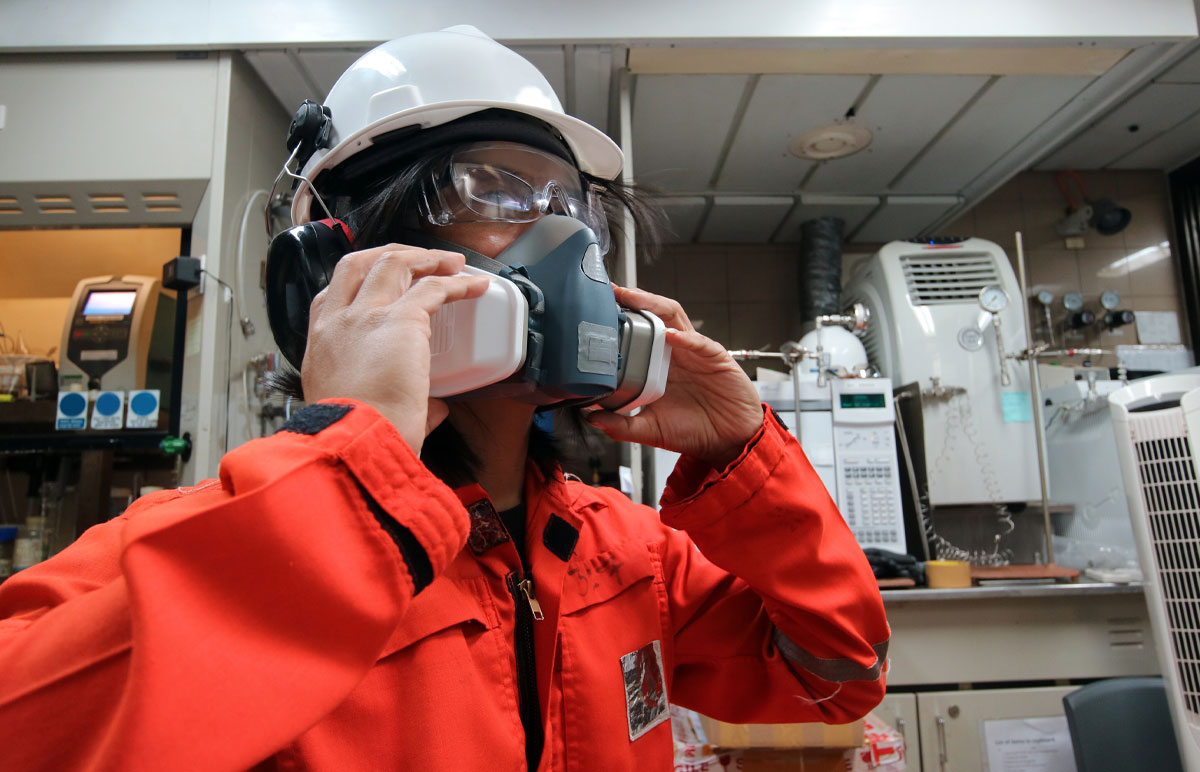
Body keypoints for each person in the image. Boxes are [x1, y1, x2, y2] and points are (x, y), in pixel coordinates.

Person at [0, 26, 889, 772]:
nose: (562, 239)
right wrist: (347, 479)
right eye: (495, 192)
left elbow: (835, 676)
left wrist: (744, 457)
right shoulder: (203, 548)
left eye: (572, 207)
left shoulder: (629, 553)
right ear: (340, 267)